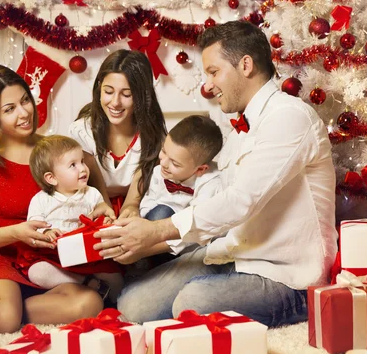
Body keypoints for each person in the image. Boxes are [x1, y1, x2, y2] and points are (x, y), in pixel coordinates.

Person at [95, 21, 338, 327]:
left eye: (213, 71)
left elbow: (240, 202)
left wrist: (157, 232)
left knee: (192, 301)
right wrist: (144, 242)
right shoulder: (241, 128)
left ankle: (297, 307)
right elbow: (216, 209)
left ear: (245, 65)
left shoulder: (289, 117)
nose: (208, 85)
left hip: (288, 275)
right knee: (133, 305)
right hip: (235, 255)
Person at [0, 64, 104, 335]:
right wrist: (16, 232)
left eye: (25, 100)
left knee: (90, 302)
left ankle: (13, 304)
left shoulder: (56, 153)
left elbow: (92, 203)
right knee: (5, 319)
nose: (24, 112)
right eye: (9, 109)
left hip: (45, 261)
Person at [17, 135, 124, 301]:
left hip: (87, 256)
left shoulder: (91, 193)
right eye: (73, 165)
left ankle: (112, 300)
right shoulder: (42, 199)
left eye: (82, 161)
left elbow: (102, 212)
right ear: (51, 178)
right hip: (55, 256)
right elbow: (34, 224)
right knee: (37, 272)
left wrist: (104, 209)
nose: (82, 168)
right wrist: (47, 231)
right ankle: (83, 282)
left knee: (116, 277)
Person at [69, 49, 166, 219]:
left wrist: (131, 206)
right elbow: (97, 193)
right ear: (99, 89)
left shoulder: (153, 133)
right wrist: (108, 212)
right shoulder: (82, 131)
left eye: (127, 94)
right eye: (108, 92)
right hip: (95, 202)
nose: (115, 102)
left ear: (142, 96)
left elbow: (133, 200)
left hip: (140, 202)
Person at [140, 115, 223, 223]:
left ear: (200, 170)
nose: (163, 163)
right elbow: (148, 201)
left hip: (189, 225)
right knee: (161, 212)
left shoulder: (210, 183)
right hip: (157, 217)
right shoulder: (159, 172)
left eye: (175, 163)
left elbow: (198, 219)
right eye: (164, 151)